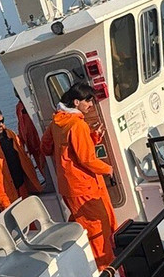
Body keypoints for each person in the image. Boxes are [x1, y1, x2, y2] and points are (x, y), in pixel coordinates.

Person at [45, 83, 117, 267]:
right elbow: (86, 159)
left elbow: (46, 147)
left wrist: (91, 138)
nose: (91, 104)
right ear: (76, 102)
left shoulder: (57, 121)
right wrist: (108, 169)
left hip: (73, 187)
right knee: (97, 228)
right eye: (88, 101)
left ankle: (104, 263)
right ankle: (107, 269)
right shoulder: (77, 125)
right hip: (84, 186)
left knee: (92, 223)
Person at [0, 105, 42, 211]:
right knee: (16, 223)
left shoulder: (10, 134)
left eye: (2, 121)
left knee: (31, 217)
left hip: (21, 184)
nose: (1, 124)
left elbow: (23, 155)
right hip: (4, 192)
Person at [14, 89, 43, 175]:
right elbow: (21, 127)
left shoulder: (28, 105)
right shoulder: (20, 107)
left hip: (38, 142)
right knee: (42, 166)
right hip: (33, 144)